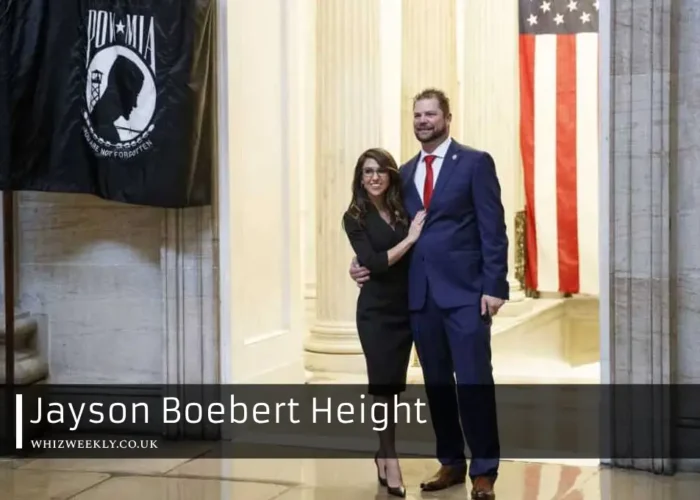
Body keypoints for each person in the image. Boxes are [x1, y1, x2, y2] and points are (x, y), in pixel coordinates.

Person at [349, 88, 508, 500]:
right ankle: (451, 462)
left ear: (447, 117)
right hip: (419, 298)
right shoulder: (403, 172)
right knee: (437, 384)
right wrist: (360, 263)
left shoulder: (475, 163)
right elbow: (390, 231)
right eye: (417, 114)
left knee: (474, 381)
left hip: (467, 295)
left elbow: (493, 228)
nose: (423, 120)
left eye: (431, 114)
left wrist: (495, 286)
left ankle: (485, 469)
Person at [341, 147, 427, 498]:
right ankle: (389, 455)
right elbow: (375, 264)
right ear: (360, 179)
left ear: (391, 174)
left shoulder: (403, 206)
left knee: (396, 385)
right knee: (381, 387)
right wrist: (410, 239)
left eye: (379, 171)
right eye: (366, 172)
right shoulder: (353, 216)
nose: (373, 177)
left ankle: (382, 452)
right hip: (376, 312)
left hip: (407, 307)